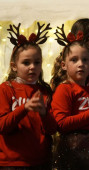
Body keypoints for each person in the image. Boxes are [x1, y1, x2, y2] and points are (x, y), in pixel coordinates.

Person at [50, 26, 89, 170]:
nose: (81, 64)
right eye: (74, 60)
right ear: (64, 65)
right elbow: (61, 124)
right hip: (74, 155)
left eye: (85, 60)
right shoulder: (64, 89)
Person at [0, 23, 56, 168]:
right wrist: (24, 107)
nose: (32, 67)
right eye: (26, 63)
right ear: (14, 66)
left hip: (40, 162)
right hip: (11, 163)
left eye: (37, 62)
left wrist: (44, 113)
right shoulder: (6, 89)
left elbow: (52, 130)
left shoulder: (45, 91)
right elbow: (2, 126)